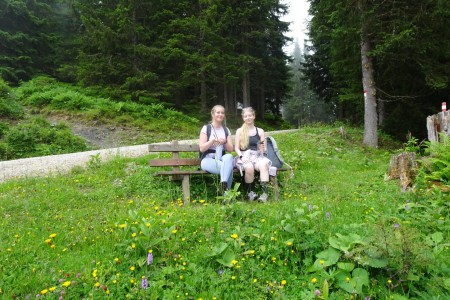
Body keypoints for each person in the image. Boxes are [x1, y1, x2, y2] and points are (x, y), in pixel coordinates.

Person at [234, 107, 271, 202]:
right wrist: (241, 157)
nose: (248, 118)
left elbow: (264, 148)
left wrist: (262, 148)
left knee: (263, 164)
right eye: (246, 116)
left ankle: (264, 194)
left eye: (250, 115)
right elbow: (236, 148)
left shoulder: (260, 131)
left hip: (257, 156)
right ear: (243, 118)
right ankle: (250, 193)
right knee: (249, 167)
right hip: (244, 156)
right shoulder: (239, 131)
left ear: (254, 116)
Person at [199, 105, 234, 195]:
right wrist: (212, 141)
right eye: (218, 112)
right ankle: (227, 196)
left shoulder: (226, 130)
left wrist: (224, 142)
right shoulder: (206, 128)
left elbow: (230, 149)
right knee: (228, 168)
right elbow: (202, 148)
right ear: (213, 114)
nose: (220, 114)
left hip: (221, 157)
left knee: (229, 157)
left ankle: (223, 185)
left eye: (222, 113)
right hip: (207, 159)